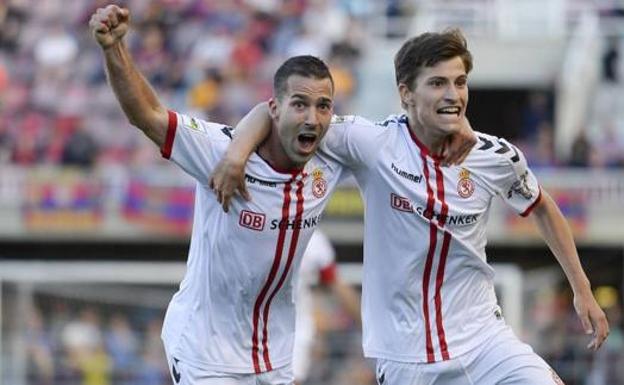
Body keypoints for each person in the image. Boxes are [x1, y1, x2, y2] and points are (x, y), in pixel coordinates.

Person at [89, 6, 474, 384]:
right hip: (205, 351)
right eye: (300, 104)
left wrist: (461, 125)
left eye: (323, 106)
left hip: (275, 356)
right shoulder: (217, 151)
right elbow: (147, 114)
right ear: (275, 108)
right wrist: (114, 48)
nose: (312, 117)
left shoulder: (331, 152)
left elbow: (409, 128)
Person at [211, 29, 610, 384]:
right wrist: (236, 155)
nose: (453, 95)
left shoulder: (495, 156)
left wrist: (582, 289)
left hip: (486, 342)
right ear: (405, 93)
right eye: (437, 83)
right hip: (406, 359)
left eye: (460, 82)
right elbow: (277, 110)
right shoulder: (369, 144)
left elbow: (542, 207)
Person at [294, 229, 360, 384]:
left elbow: (334, 282)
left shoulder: (313, 240)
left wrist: (367, 324)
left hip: (294, 328)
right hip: (247, 324)